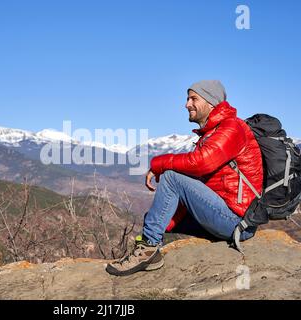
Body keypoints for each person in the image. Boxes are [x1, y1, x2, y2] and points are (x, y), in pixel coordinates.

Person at [106, 80, 263, 276]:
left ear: (211, 102)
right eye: (187, 98)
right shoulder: (213, 133)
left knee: (172, 176)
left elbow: (200, 163)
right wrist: (163, 222)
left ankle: (147, 250)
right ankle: (150, 248)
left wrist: (158, 165)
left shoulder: (232, 128)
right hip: (223, 214)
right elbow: (196, 186)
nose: (187, 104)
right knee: (155, 218)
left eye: (193, 99)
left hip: (236, 221)